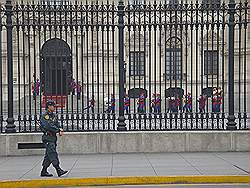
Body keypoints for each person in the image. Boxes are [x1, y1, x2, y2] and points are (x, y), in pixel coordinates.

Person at [40, 100, 68, 177]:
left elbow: (56, 124)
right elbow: (48, 126)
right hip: (47, 137)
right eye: (53, 106)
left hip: (53, 137)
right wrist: (58, 130)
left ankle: (44, 171)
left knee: (48, 155)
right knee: (52, 153)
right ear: (49, 106)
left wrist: (60, 129)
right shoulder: (45, 116)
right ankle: (58, 169)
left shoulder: (54, 115)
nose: (54, 107)